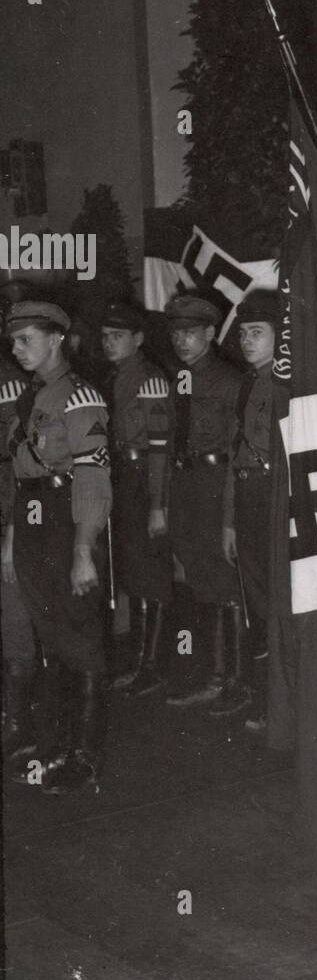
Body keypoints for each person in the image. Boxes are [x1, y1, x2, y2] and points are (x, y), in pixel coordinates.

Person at [2, 300, 112, 794]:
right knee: (49, 637)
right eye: (14, 339)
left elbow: (93, 475)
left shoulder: (79, 397)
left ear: (56, 339)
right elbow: (21, 478)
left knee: (81, 638)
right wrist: (10, 542)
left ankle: (84, 755)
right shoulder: (33, 397)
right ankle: (52, 741)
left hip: (67, 523)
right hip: (32, 525)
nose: (17, 348)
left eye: (27, 339)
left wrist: (84, 549)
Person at [161, 293, 243, 708]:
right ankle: (210, 674)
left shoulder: (230, 381)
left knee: (224, 585)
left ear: (211, 334)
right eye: (176, 333)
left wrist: (229, 517)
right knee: (199, 582)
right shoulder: (181, 378)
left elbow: (235, 454)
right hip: (188, 486)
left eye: (190, 333)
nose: (181, 341)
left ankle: (229, 681)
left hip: (215, 485)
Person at [100, 302, 172, 697]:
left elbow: (160, 448)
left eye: (118, 337)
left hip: (146, 480)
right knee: (131, 568)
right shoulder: (115, 378)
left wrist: (158, 506)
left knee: (151, 573)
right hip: (122, 480)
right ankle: (140, 660)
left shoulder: (151, 381)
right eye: (106, 338)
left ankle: (152, 665)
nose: (109, 344)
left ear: (138, 339)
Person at [220, 289, 280, 729]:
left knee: (279, 605)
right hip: (247, 497)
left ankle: (281, 702)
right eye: (242, 333)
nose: (246, 340)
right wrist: (228, 522)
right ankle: (265, 697)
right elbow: (232, 455)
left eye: (256, 332)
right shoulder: (249, 383)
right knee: (256, 603)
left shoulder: (288, 386)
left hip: (274, 497)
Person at [0, 315, 33, 761]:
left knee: (13, 623)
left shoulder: (11, 385)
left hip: (7, 508)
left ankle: (18, 721)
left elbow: (15, 466)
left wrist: (10, 533)